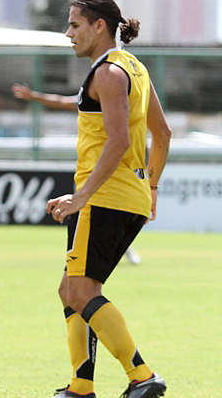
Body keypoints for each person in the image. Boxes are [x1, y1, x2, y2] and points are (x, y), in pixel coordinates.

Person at [30, 0, 171, 398]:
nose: (68, 33)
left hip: (103, 198)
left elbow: (120, 140)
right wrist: (153, 188)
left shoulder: (108, 73)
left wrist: (80, 197)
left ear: (99, 27)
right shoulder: (135, 68)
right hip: (127, 195)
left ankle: (142, 375)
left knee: (80, 290)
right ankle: (80, 387)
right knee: (71, 290)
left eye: (74, 24)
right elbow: (161, 134)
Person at [10, 84, 142, 265]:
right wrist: (34, 97)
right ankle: (91, 254)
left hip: (114, 174)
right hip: (90, 171)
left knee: (110, 216)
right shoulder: (91, 99)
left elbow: (142, 137)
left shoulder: (121, 107)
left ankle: (118, 250)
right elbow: (63, 101)